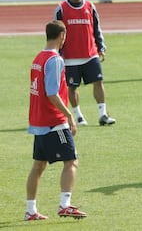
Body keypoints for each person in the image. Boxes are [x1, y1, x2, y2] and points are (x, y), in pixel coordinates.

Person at [25, 20, 86, 221]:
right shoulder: (55, 60)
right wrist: (69, 115)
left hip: (39, 121)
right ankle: (65, 205)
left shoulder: (38, 58)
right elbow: (52, 93)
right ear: (62, 36)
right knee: (71, 161)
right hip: (54, 121)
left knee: (38, 166)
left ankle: (30, 210)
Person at [54, 0, 115, 126]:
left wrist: (101, 47)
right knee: (73, 86)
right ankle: (78, 116)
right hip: (70, 58)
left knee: (98, 82)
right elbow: (56, 33)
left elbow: (96, 28)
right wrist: (58, 53)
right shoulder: (61, 8)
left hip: (90, 54)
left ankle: (103, 114)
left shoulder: (90, 6)